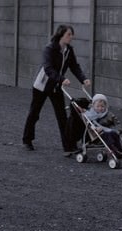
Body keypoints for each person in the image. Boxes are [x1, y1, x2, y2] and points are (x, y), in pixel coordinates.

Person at [22, 24, 90, 155]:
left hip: (56, 87)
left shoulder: (69, 50)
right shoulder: (49, 49)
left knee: (62, 117)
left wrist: (83, 79)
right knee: (34, 113)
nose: (71, 37)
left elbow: (74, 66)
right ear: (61, 35)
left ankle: (68, 147)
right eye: (69, 34)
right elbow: (48, 68)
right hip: (42, 86)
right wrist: (61, 79)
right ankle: (27, 140)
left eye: (72, 34)